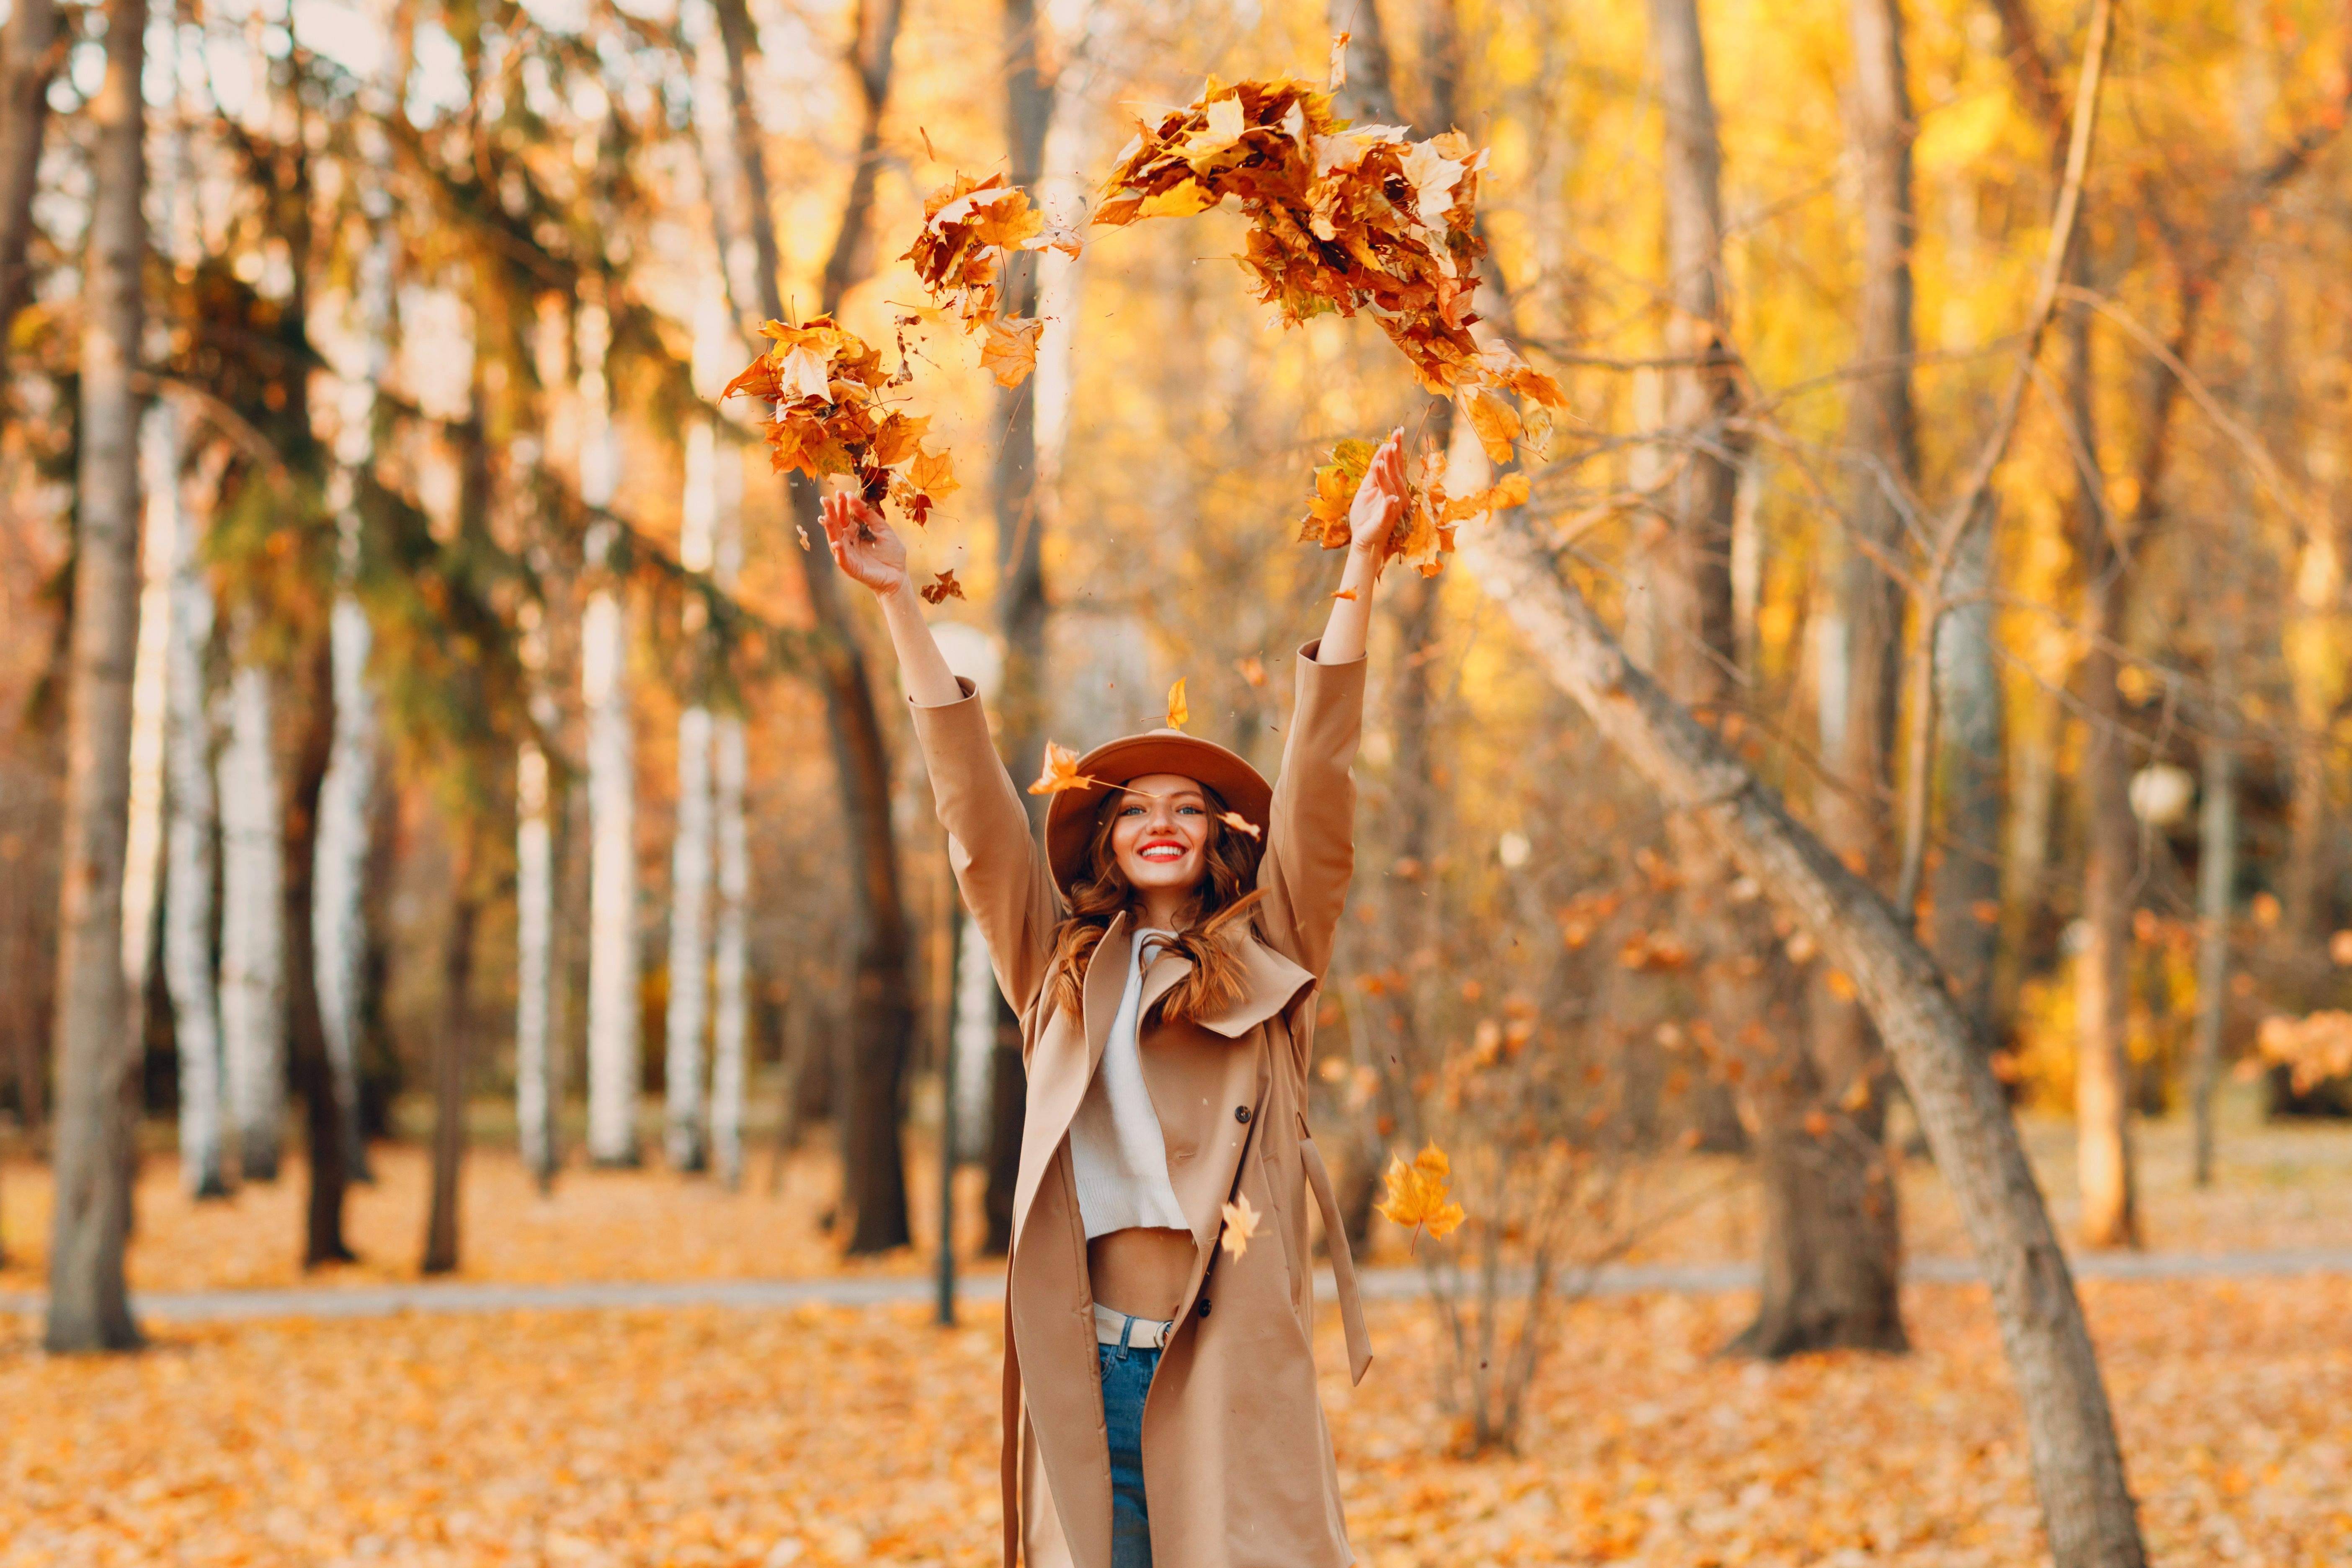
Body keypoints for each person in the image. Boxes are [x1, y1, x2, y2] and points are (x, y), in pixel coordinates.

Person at [820, 430, 1409, 1568]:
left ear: (1217, 836)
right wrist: (900, 604)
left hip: (1227, 1357)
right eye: (1137, 809)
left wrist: (1363, 568)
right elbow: (972, 813)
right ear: (1108, 837)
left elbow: (1324, 790)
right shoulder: (1059, 968)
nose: (1161, 825)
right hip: (1087, 1369)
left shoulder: (1277, 959)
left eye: (1188, 808)